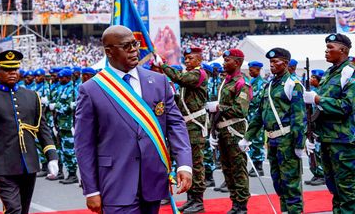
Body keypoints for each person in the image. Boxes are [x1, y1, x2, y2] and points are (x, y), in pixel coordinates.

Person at [74, 25, 192, 214]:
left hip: (153, 182)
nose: (134, 50)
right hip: (115, 184)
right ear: (109, 51)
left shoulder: (158, 81)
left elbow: (176, 124)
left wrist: (185, 164)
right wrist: (91, 190)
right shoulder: (91, 90)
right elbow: (84, 145)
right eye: (126, 46)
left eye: (135, 44)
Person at [0, 50, 59, 214]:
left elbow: (42, 129)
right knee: (14, 209)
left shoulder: (31, 96)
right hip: (2, 165)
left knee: (23, 209)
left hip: (28, 164)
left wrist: (52, 157)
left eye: (15, 69)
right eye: (7, 70)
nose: (12, 73)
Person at [239, 48, 306, 214]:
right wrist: (247, 137)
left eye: (276, 62)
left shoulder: (293, 84)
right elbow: (260, 115)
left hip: (287, 141)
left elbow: (299, 118)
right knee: (278, 183)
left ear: (286, 63)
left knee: (291, 185)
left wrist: (299, 144)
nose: (273, 65)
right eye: (271, 62)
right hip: (272, 141)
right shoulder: (269, 86)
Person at [303, 33, 355, 213]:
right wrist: (310, 134)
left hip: (343, 143)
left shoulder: (350, 72)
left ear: (343, 50)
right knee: (334, 189)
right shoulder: (329, 73)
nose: (326, 51)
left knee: (348, 192)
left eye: (330, 48)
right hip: (327, 139)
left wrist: (317, 99)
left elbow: (346, 106)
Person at [157, 46, 208, 213]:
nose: (187, 61)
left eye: (191, 58)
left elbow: (181, 78)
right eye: (185, 59)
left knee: (196, 164)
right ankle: (190, 199)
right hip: (186, 125)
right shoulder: (190, 75)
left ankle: (198, 201)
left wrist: (164, 66)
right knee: (187, 162)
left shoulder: (198, 74)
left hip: (195, 126)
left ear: (199, 60)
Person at [206, 49, 252, 214]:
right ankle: (234, 202)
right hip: (222, 131)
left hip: (234, 131)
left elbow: (241, 110)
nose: (224, 63)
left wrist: (218, 107)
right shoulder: (225, 81)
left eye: (228, 60)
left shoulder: (242, 82)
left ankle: (242, 205)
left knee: (238, 169)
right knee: (227, 169)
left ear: (237, 62)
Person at [304, 69, 325, 186]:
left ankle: (321, 175)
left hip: (319, 127)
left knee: (317, 151)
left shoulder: (320, 93)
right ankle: (316, 173)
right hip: (312, 126)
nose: (311, 79)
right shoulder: (311, 92)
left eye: (313, 78)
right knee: (311, 151)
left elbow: (320, 111)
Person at [246, 61, 267, 177]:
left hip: (257, 116)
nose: (250, 72)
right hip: (250, 116)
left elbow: (257, 100)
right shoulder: (252, 82)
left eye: (252, 70)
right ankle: (255, 164)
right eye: (249, 70)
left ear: (258, 70)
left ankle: (259, 166)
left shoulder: (262, 84)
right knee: (252, 141)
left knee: (257, 141)